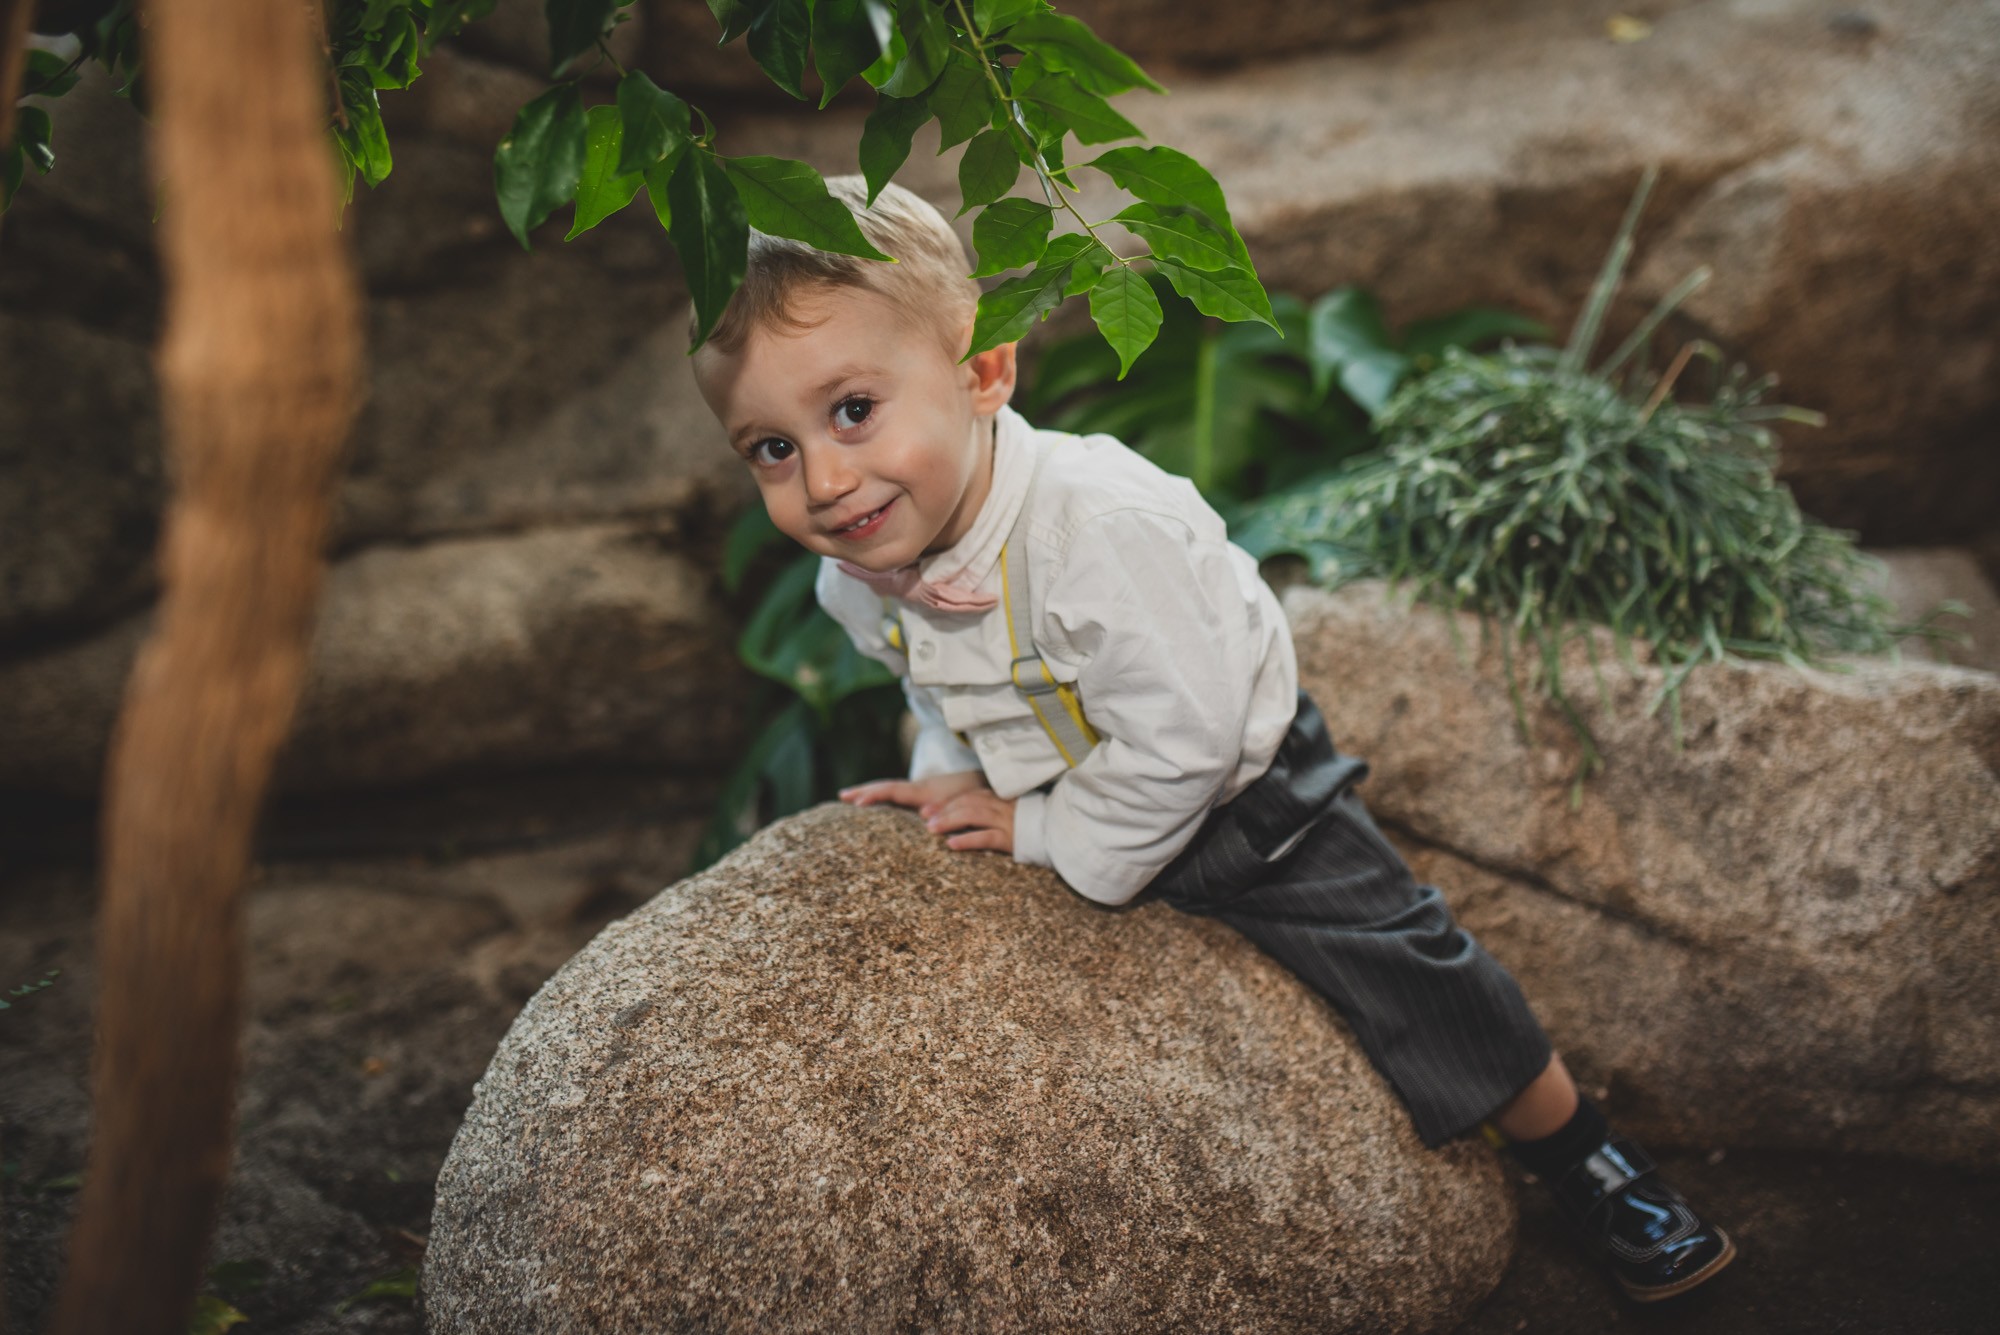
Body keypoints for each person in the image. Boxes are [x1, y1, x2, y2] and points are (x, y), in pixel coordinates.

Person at [690, 177, 1734, 1303]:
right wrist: (951, 780)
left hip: (1247, 802)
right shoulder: (858, 578)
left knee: (1414, 968)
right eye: (769, 448)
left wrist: (1045, 828)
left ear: (982, 370)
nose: (825, 481)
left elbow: (1184, 741)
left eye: (850, 411)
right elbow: (932, 686)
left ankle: (1583, 1158)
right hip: (1072, 781)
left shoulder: (1098, 529)